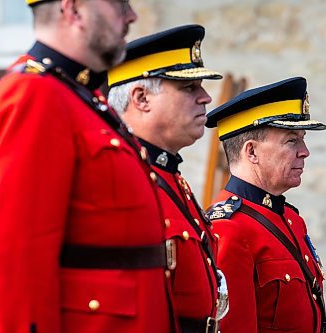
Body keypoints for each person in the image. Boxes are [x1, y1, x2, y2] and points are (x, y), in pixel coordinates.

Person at [0, 0, 175, 332]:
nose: (132, 16)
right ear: (73, 10)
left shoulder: (80, 97)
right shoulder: (33, 94)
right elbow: (16, 263)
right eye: (118, 4)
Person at [107, 24, 228, 333]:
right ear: (141, 98)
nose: (206, 98)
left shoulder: (170, 177)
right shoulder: (115, 179)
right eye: (189, 88)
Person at [205, 77, 326, 333]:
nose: (305, 151)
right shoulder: (228, 227)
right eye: (291, 140)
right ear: (251, 152)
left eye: (302, 139)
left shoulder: (290, 218)